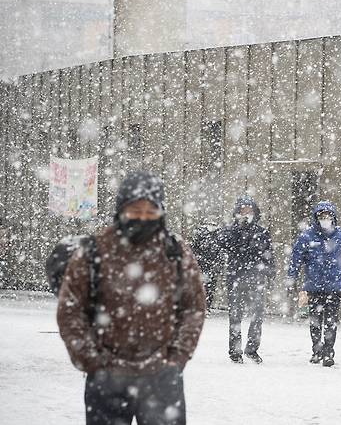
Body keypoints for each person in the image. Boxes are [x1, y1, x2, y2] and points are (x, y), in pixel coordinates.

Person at [57, 171, 206, 425]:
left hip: (161, 376)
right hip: (107, 377)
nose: (143, 217)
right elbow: (71, 310)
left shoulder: (175, 252)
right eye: (136, 209)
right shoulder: (95, 250)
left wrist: (176, 358)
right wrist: (93, 362)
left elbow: (193, 308)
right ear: (121, 209)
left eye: (151, 211)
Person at [287, 200, 341, 367]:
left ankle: (328, 351)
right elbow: (296, 259)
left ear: (333, 217)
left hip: (334, 287)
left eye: (328, 216)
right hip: (314, 286)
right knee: (315, 320)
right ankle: (316, 349)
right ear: (316, 217)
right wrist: (291, 279)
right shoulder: (307, 236)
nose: (325, 219)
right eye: (322, 216)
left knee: (330, 321)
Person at [215, 195, 275, 364]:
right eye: (243, 211)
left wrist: (270, 272)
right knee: (235, 316)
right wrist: (236, 229)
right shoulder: (230, 231)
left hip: (256, 279)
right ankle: (235, 351)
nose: (246, 213)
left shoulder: (262, 233)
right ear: (237, 212)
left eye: (249, 211)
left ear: (255, 213)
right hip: (236, 278)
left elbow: (268, 255)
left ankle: (252, 349)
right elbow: (222, 242)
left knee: (257, 316)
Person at [191, 222, 222, 312]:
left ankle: (205, 306)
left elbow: (220, 252)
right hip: (203, 264)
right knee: (204, 286)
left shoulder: (218, 234)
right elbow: (195, 248)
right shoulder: (201, 232)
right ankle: (201, 306)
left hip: (209, 265)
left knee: (209, 286)